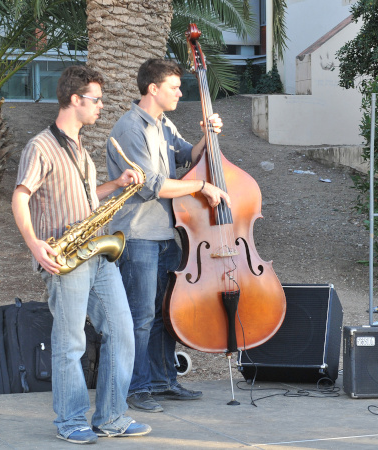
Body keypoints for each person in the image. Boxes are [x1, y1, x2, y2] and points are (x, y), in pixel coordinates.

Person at [12, 66, 152, 443]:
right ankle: (71, 421)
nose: (101, 107)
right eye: (96, 99)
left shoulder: (81, 151)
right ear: (75, 100)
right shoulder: (41, 146)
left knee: (123, 333)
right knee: (70, 341)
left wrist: (117, 184)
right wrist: (34, 243)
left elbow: (89, 199)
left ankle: (111, 417)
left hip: (96, 254)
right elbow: (21, 196)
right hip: (65, 257)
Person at [106, 58, 231, 413]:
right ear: (153, 89)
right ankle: (136, 388)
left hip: (165, 235)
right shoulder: (130, 129)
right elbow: (153, 185)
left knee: (164, 312)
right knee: (141, 315)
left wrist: (208, 136)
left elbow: (188, 156)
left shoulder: (164, 124)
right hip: (138, 235)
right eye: (175, 87)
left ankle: (162, 381)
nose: (180, 91)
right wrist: (201, 186)